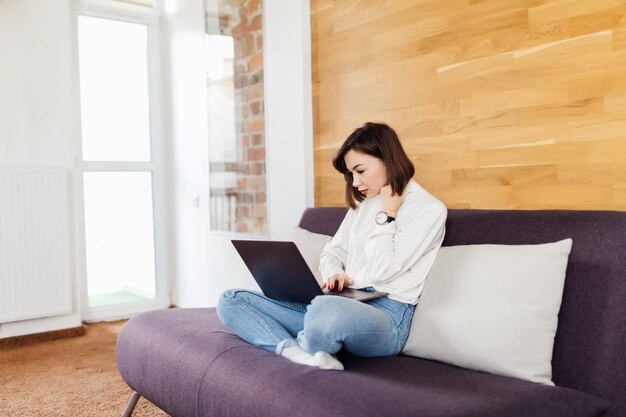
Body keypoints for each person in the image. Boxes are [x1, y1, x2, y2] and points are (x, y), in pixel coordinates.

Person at [217, 122, 447, 370]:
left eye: (360, 170)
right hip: (343, 301)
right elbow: (332, 252)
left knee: (325, 310)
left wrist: (387, 214)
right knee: (230, 300)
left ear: (387, 159)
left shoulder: (428, 211)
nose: (356, 182)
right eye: (351, 174)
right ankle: (295, 351)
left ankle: (313, 336)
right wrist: (334, 274)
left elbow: (383, 271)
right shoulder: (364, 203)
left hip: (389, 316)